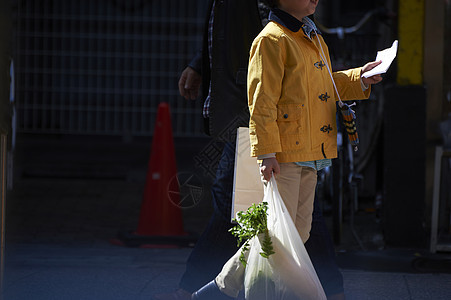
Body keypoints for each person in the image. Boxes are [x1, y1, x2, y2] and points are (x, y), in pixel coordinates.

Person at [154, 0, 375, 299]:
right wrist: (266, 153)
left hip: (311, 151)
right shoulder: (270, 39)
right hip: (283, 152)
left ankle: (222, 288)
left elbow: (324, 85)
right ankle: (300, 292)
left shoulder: (312, 36)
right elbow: (262, 103)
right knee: (275, 234)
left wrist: (359, 77)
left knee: (291, 235)